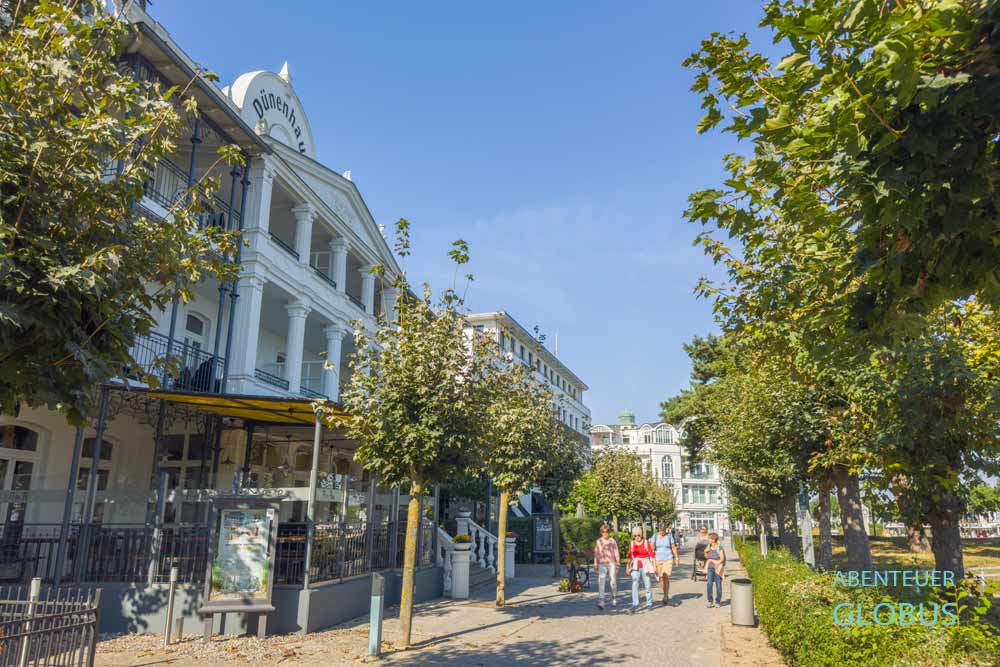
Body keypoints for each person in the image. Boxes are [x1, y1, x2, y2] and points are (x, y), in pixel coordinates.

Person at [625, 527, 656, 612]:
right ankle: (635, 603)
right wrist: (627, 567)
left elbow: (652, 555)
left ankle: (649, 603)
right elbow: (629, 556)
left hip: (645, 565)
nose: (637, 537)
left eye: (638, 535)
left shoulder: (646, 543)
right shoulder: (632, 544)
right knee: (635, 584)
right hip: (635, 566)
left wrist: (654, 566)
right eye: (635, 535)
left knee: (648, 585)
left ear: (641, 534)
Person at [651, 524, 680, 605]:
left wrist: (676, 558)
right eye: (660, 530)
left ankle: (666, 595)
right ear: (658, 530)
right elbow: (651, 548)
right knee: (661, 578)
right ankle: (665, 593)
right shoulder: (655, 536)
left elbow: (673, 548)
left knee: (666, 576)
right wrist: (651, 559)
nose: (662, 531)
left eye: (663, 530)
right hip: (658, 559)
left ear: (665, 529)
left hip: (668, 558)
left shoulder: (669, 536)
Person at [593, 523, 620, 610]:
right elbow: (596, 553)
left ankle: (614, 597)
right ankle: (601, 601)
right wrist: (595, 564)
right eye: (603, 532)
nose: (605, 533)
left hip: (611, 563)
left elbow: (616, 552)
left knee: (613, 581)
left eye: (607, 531)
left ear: (609, 532)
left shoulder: (612, 541)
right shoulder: (598, 541)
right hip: (602, 563)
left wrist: (618, 564)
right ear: (601, 532)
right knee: (601, 582)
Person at [705, 531, 726, 608]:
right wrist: (705, 553)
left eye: (710, 539)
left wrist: (714, 561)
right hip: (710, 568)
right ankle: (710, 601)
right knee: (709, 584)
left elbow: (722, 559)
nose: (708, 540)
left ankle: (717, 601)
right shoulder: (708, 547)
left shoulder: (719, 548)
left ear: (713, 539)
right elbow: (707, 556)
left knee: (718, 585)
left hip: (717, 569)